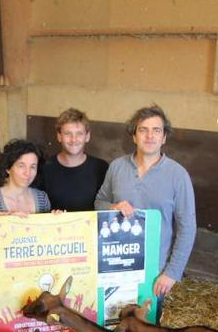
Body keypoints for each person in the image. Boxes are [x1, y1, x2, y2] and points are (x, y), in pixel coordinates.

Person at [94, 105, 196, 320]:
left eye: (156, 130)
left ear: (164, 137)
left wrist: (171, 273)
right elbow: (99, 201)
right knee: (112, 322)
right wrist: (112, 207)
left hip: (153, 269)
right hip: (114, 263)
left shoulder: (178, 175)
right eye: (143, 130)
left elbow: (187, 227)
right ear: (133, 135)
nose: (150, 136)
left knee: (146, 328)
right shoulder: (117, 167)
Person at [0, 139, 51, 235]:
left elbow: (47, 235)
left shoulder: (42, 198)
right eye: (21, 166)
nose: (28, 173)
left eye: (33, 167)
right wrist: (5, 228)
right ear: (8, 168)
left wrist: (58, 221)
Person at [39, 108, 108, 212]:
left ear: (87, 136)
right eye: (67, 133)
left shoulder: (101, 168)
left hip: (90, 228)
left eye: (79, 133)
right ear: (59, 136)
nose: (73, 139)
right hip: (55, 228)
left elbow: (106, 204)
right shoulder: (45, 168)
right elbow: (37, 206)